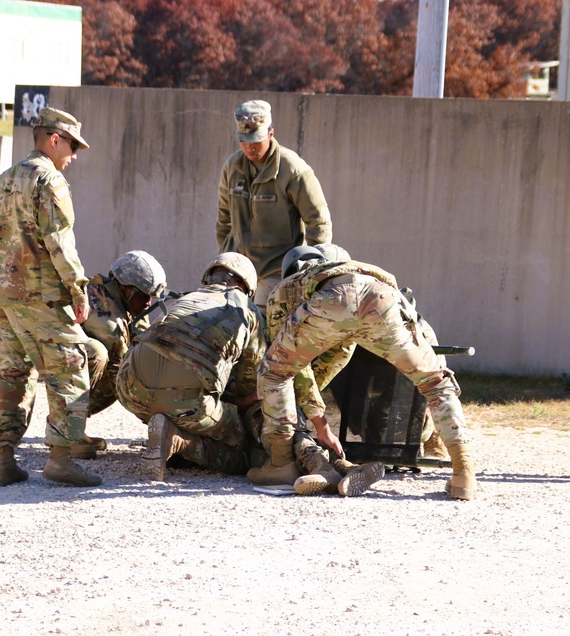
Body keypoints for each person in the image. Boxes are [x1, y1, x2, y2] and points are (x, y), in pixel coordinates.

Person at [251, 257, 478, 500]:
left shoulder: (285, 290)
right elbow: (347, 350)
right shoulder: (367, 271)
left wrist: (319, 421)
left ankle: (281, 465)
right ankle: (464, 472)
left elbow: (291, 369)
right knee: (436, 383)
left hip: (332, 300)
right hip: (383, 300)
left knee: (274, 374)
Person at [0, 107, 101, 487]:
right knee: (70, 367)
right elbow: (60, 242)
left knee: (10, 373)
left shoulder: (1, 181)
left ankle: (5, 460)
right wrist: (78, 289)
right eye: (72, 145)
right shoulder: (49, 180)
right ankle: (61, 460)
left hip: (1, 296)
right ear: (54, 139)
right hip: (42, 295)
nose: (74, 155)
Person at [115, 253, 266, 482]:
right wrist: (241, 401)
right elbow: (249, 381)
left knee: (177, 403)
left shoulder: (185, 298)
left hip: (129, 390)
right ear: (247, 286)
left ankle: (168, 427)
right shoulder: (248, 310)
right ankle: (178, 440)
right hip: (184, 401)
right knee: (245, 450)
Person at [263, 245, 385, 497]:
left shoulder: (278, 303)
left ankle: (328, 467)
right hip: (278, 390)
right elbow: (308, 369)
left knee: (289, 427)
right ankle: (343, 467)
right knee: (293, 424)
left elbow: (301, 371)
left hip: (272, 395)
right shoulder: (347, 304)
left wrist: (311, 412)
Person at [216, 99, 332, 312]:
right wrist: (226, 257)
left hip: (277, 272)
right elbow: (224, 219)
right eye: (244, 140)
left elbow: (319, 223)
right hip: (237, 270)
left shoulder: (293, 170)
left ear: (271, 133)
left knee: (263, 333)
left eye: (256, 140)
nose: (249, 147)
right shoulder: (232, 168)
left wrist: (309, 274)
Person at [73, 250, 168, 459]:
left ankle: (72, 426)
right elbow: (128, 368)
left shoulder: (126, 304)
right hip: (56, 360)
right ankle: (67, 431)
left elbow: (144, 342)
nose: (148, 303)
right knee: (105, 360)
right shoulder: (103, 312)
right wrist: (159, 416)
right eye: (144, 296)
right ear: (125, 289)